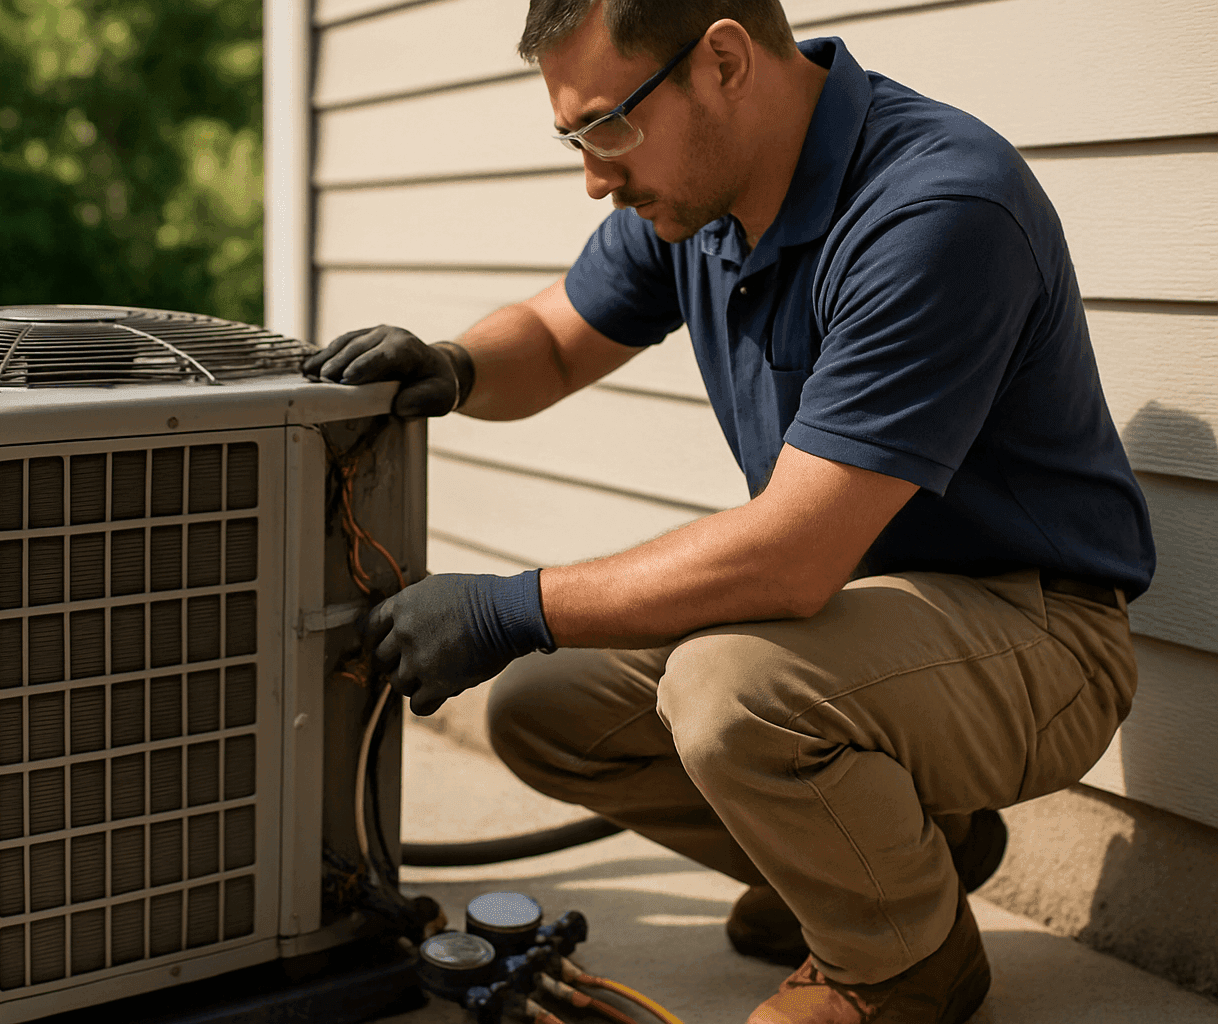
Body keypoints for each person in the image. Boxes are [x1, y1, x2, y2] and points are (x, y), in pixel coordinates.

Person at [301, 0, 1155, 1020]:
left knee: (727, 687)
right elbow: (558, 335)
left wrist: (507, 606)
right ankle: (894, 862)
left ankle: (901, 966)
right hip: (860, 617)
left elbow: (793, 554)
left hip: (1038, 628)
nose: (593, 173)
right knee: (545, 708)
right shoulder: (701, 201)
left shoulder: (935, 206)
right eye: (574, 137)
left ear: (723, 62)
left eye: (607, 126)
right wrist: (453, 364)